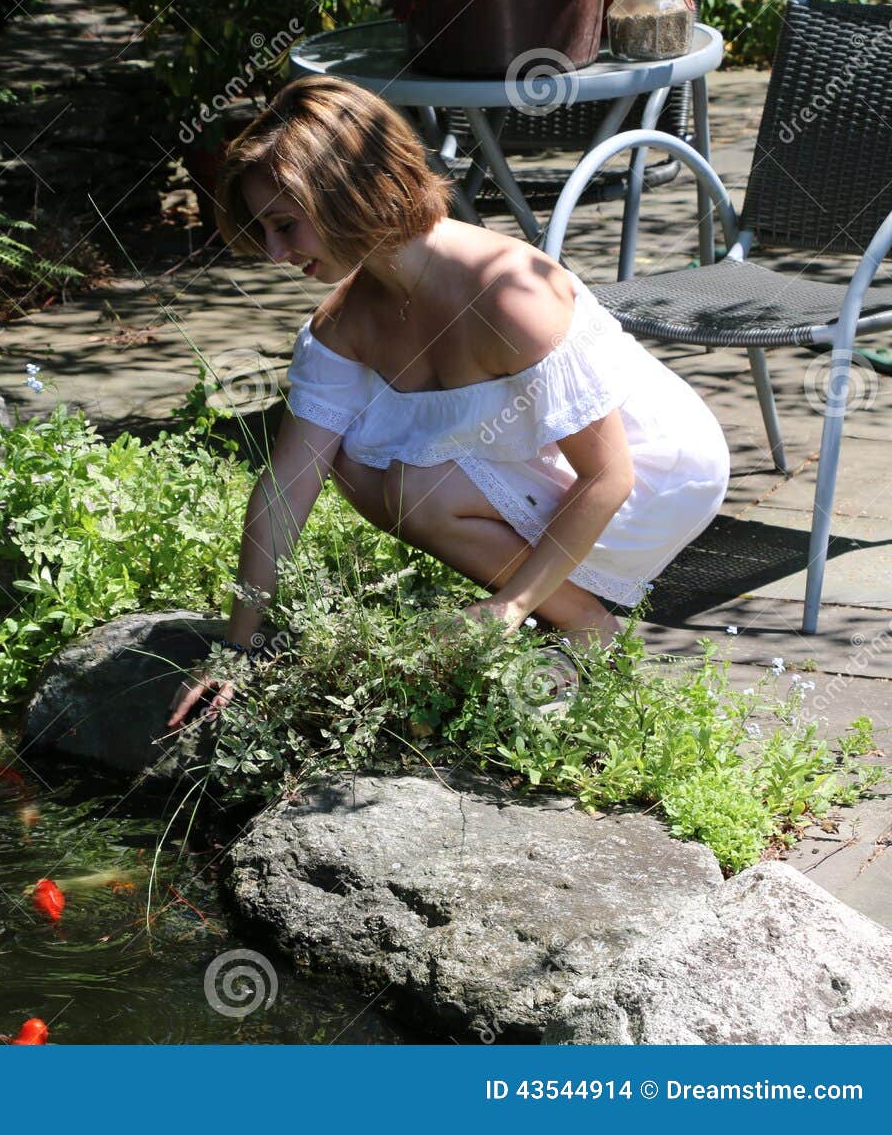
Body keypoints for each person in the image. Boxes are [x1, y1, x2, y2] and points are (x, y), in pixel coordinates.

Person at [167, 75, 729, 728]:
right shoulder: (343, 326)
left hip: (659, 472)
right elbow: (284, 490)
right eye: (264, 230)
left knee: (416, 483)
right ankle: (578, 612)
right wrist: (235, 650)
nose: (273, 253)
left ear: (349, 195)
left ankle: (568, 619)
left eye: (286, 226)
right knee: (351, 456)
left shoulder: (511, 298)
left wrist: (508, 608)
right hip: (558, 465)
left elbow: (610, 475)